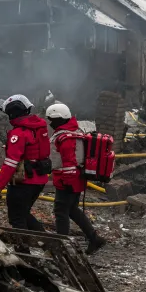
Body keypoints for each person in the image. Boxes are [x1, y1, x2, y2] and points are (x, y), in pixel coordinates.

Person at [45, 103, 106, 254]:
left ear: (60, 118)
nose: (51, 123)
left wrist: (67, 181)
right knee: (71, 209)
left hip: (68, 180)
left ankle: (62, 246)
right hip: (75, 179)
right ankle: (94, 239)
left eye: (52, 120)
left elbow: (69, 161)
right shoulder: (74, 131)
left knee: (61, 210)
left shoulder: (66, 137)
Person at [0, 94, 51, 231]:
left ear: (13, 113)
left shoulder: (19, 133)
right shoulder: (39, 128)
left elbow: (11, 162)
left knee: (17, 219)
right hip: (39, 180)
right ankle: (49, 244)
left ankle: (23, 250)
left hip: (23, 183)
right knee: (23, 214)